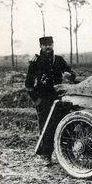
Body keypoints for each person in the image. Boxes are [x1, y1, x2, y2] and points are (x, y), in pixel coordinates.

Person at [25, 36, 76, 165]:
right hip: (44, 99)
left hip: (59, 98)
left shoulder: (58, 60)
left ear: (53, 45)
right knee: (46, 127)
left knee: (65, 125)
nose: (48, 47)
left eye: (50, 44)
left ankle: (66, 154)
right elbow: (28, 84)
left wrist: (70, 76)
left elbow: (71, 73)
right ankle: (46, 155)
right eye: (45, 45)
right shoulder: (35, 62)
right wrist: (36, 100)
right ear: (41, 47)